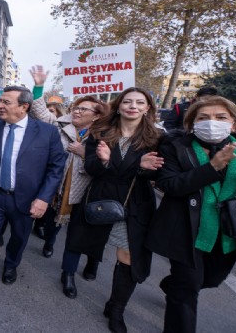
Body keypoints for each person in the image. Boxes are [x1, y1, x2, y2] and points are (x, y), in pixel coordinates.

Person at [146, 96, 236, 333]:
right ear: (192, 123)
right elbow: (170, 185)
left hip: (227, 234)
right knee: (186, 289)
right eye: (203, 118)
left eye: (220, 117)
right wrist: (211, 168)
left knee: (211, 280)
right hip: (185, 231)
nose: (211, 122)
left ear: (234, 123)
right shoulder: (175, 146)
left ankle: (171, 285)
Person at [63, 87, 164, 332]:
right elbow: (92, 168)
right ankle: (71, 273)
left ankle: (116, 308)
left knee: (128, 258)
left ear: (147, 107)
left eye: (140, 102)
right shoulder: (101, 132)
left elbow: (154, 173)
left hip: (135, 204)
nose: (133, 106)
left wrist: (116, 163)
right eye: (127, 101)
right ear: (118, 105)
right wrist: (114, 163)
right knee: (83, 242)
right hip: (101, 197)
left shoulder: (157, 137)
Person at [0, 86, 67, 310]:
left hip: (26, 199)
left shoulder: (46, 132)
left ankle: (11, 264)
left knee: (19, 238)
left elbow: (55, 168)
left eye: (6, 102)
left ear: (24, 106)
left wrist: (43, 198)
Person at [27, 66, 109, 284]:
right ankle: (49, 243)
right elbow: (40, 112)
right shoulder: (60, 124)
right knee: (54, 222)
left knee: (77, 234)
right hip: (59, 187)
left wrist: (86, 153)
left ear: (97, 116)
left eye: (84, 109)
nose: (77, 111)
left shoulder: (105, 136)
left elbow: (108, 164)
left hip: (85, 193)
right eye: (76, 107)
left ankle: (68, 273)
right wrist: (38, 86)